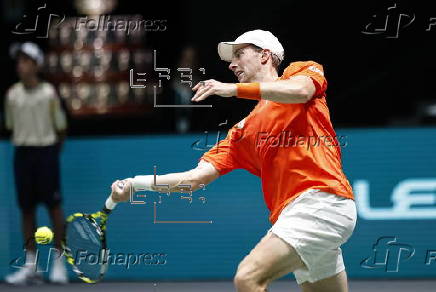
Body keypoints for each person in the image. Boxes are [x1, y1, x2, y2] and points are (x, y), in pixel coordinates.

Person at [110, 29, 357, 292]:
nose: (232, 64)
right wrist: (137, 184)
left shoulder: (301, 71)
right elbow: (194, 179)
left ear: (265, 56)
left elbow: (300, 92)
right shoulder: (242, 132)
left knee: (248, 278)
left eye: (240, 54)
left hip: (320, 202)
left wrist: (233, 90)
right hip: (293, 214)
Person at [4, 42, 69, 285]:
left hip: (46, 154)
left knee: (54, 208)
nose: (20, 65)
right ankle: (31, 266)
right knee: (26, 210)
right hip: (23, 154)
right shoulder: (11, 94)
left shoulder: (49, 93)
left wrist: (50, 152)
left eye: (24, 60)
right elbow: (11, 127)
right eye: (18, 61)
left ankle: (59, 264)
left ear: (36, 64)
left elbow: (61, 129)